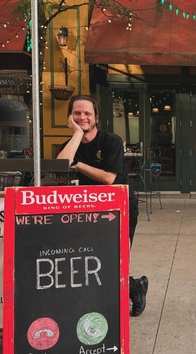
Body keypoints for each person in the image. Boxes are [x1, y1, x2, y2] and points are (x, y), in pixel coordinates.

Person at [56, 94, 149, 317]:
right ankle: (132, 287)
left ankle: (134, 289)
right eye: (77, 113)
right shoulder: (70, 145)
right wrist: (77, 134)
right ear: (70, 117)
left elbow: (108, 178)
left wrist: (78, 164)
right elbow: (60, 165)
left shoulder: (111, 141)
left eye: (87, 113)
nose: (82, 117)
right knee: (89, 260)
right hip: (87, 210)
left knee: (113, 260)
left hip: (120, 209)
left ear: (96, 117)